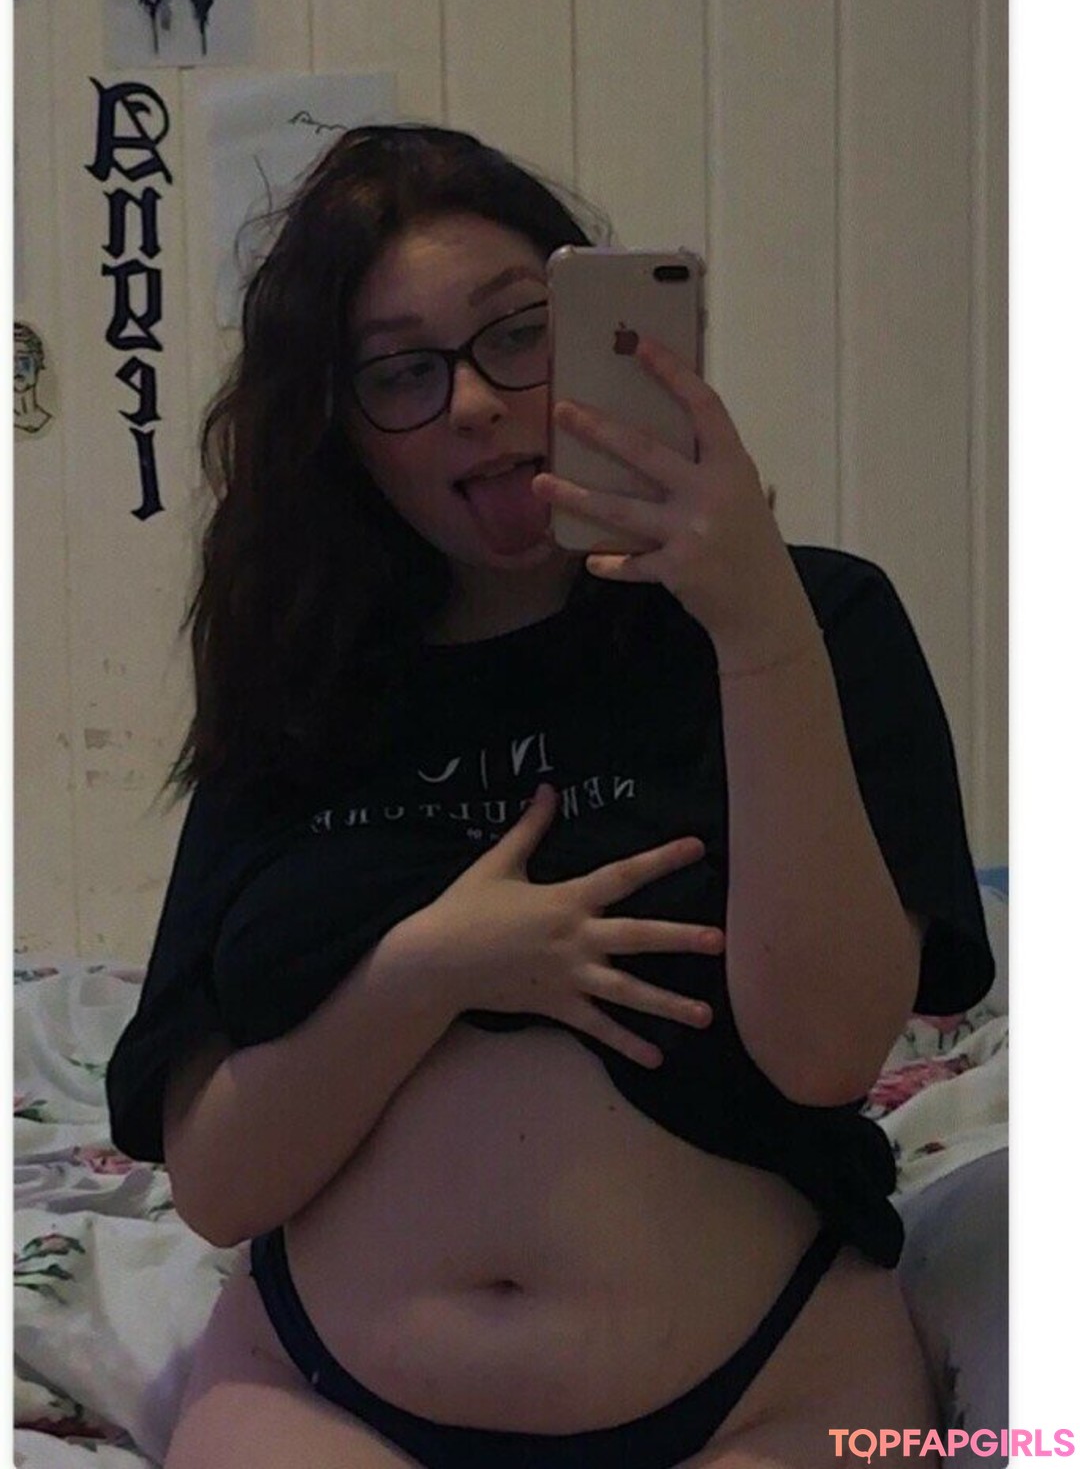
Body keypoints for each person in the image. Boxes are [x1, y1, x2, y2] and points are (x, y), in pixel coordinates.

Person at [106, 124, 995, 1469]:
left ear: (599, 336)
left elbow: (827, 1054)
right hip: (321, 1393)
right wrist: (429, 971)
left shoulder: (819, 616)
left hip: (766, 1388)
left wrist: (754, 620)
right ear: (341, 429)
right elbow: (219, 1187)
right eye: (402, 371)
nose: (473, 401)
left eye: (519, 333)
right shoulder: (301, 686)